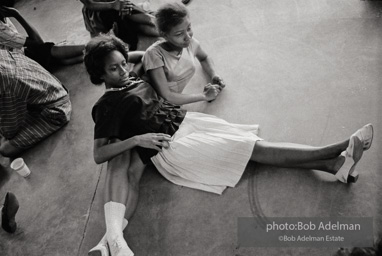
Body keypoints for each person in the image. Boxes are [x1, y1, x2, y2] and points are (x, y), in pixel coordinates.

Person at [83, 34, 373, 256]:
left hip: (190, 124)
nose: (122, 70)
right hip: (174, 146)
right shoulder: (106, 105)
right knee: (255, 149)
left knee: (255, 145)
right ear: (99, 75)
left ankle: (335, 165)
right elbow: (99, 155)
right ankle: (336, 148)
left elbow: (136, 56)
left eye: (123, 64)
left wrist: (117, 50)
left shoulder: (131, 78)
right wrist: (136, 140)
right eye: (112, 69)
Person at [142, 2, 226, 105]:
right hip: (153, 101)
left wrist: (213, 74)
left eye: (189, 28)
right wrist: (204, 96)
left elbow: (204, 58)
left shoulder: (190, 43)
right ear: (164, 35)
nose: (188, 36)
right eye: (179, 34)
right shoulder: (154, 55)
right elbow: (167, 96)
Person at [0, 48, 72, 157]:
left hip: (55, 111)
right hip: (51, 88)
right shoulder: (2, 55)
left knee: (6, 149)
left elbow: (10, 131)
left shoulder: (6, 85)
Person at [0, 5, 84, 72]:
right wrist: (17, 15)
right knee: (47, 50)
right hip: (15, 64)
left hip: (17, 56)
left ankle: (91, 52)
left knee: (55, 58)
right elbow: (38, 41)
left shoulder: (3, 15)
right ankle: (89, 47)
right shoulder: (1, 30)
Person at [80, 0, 159, 51]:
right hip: (99, 12)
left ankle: (159, 22)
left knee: (143, 17)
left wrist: (122, 4)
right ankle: (135, 25)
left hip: (117, 4)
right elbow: (89, 4)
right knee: (131, 37)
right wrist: (113, 5)